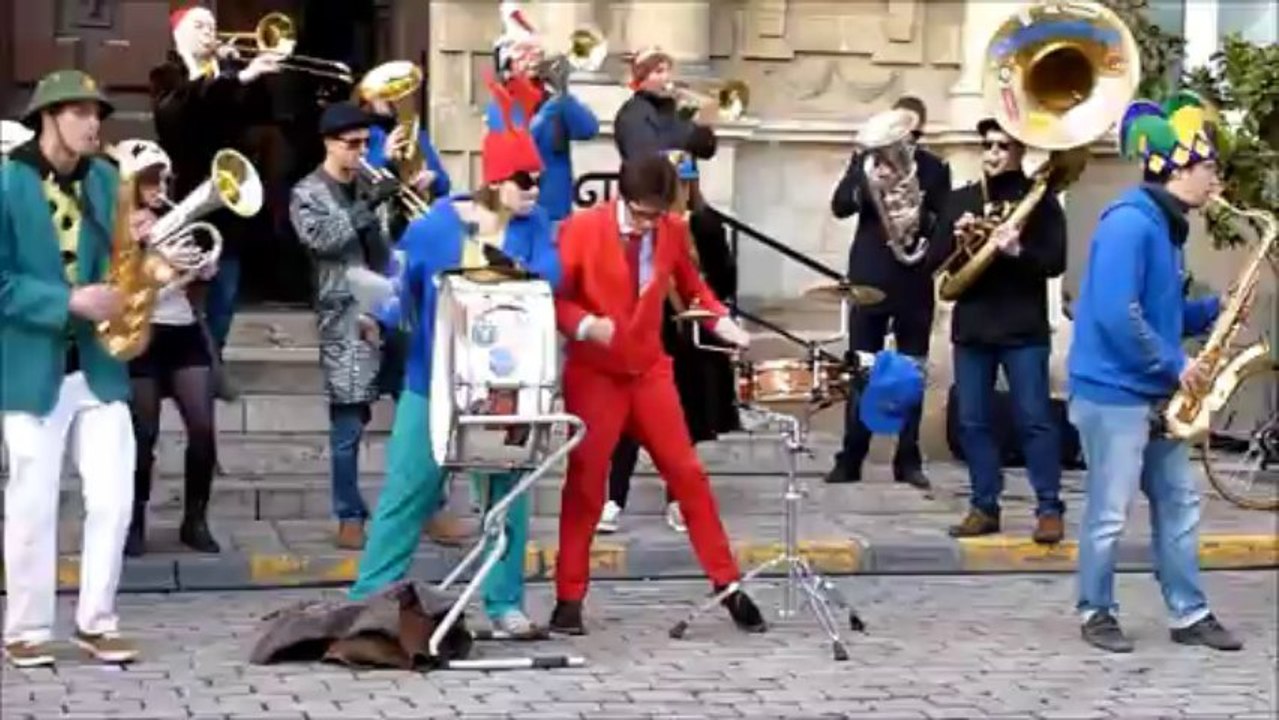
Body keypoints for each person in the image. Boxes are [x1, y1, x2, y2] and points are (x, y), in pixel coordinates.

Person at [348, 75, 561, 637]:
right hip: (434, 377)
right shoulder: (436, 224)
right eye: (523, 179)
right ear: (494, 179)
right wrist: (378, 320)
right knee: (408, 488)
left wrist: (506, 266)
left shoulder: (534, 225)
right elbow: (401, 285)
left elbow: (552, 279)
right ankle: (370, 597)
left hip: (506, 383)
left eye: (538, 176)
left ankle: (503, 604)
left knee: (506, 496)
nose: (535, 188)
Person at [549, 154, 765, 635]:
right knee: (586, 484)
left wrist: (723, 322)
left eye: (656, 214)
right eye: (642, 214)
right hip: (595, 374)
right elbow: (553, 296)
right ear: (622, 198)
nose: (649, 224)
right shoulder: (581, 228)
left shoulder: (669, 229)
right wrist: (586, 325)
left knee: (688, 473)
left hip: (649, 371)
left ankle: (725, 582)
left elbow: (691, 287)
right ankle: (568, 598)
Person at [1068, 90, 1241, 653]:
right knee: (1110, 513)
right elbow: (1120, 315)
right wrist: (1177, 362)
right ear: (1176, 168)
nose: (1215, 181)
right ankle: (1096, 611)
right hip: (1113, 393)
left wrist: (1218, 309)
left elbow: (1158, 314)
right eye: (1209, 168)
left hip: (1155, 392)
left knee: (1180, 506)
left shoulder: (1163, 227)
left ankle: (1190, 614)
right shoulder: (1130, 224)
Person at [1, 70, 144, 667]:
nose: (94, 124)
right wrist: (65, 302)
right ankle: (28, 629)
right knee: (32, 501)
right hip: (32, 368)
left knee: (113, 496)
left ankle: (96, 621)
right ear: (48, 116)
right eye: (81, 112)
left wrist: (155, 260)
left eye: (97, 113)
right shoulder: (7, 183)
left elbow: (125, 265)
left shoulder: (110, 180)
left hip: (99, 365)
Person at [926, 118, 1067, 544]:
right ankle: (984, 505)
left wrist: (1016, 250)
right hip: (973, 329)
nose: (993, 154)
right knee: (972, 421)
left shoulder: (1041, 201)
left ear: (1021, 151)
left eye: (1003, 147)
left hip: (1023, 329)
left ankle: (1048, 508)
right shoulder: (962, 199)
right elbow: (936, 262)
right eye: (988, 146)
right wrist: (956, 238)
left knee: (1034, 420)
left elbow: (1054, 263)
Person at [598, 152, 739, 535]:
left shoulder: (702, 224)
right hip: (646, 330)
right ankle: (614, 497)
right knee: (626, 421)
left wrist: (717, 318)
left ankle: (677, 498)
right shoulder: (637, 229)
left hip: (684, 337)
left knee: (681, 424)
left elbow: (720, 280)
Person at [150, 4, 280, 398]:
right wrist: (234, 78)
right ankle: (176, 368)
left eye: (212, 25)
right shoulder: (167, 75)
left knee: (224, 299)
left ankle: (211, 362)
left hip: (228, 200)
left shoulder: (225, 74)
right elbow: (176, 115)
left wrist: (250, 78)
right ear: (179, 35)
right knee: (181, 297)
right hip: (186, 197)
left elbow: (260, 115)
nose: (210, 31)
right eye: (199, 25)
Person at [825, 96, 952, 490]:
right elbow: (840, 205)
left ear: (919, 134)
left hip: (914, 279)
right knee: (862, 366)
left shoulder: (934, 169)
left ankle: (908, 457)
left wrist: (920, 216)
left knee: (913, 370)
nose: (900, 144)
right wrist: (868, 186)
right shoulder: (865, 164)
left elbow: (943, 224)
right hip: (870, 278)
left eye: (909, 135)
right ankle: (852, 456)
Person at [289, 103, 400, 550]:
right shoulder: (307, 192)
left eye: (366, 144)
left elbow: (388, 244)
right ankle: (349, 514)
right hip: (345, 315)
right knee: (348, 422)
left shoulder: (370, 183)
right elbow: (320, 241)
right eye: (351, 145)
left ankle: (427, 507)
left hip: (390, 307)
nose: (360, 153)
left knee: (418, 408)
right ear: (329, 143)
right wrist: (365, 208)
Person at [110, 140, 222, 557]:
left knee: (204, 430)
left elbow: (193, 276)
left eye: (162, 178)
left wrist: (201, 269)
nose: (158, 187)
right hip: (142, 334)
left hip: (183, 330)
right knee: (144, 434)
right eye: (148, 179)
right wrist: (145, 257)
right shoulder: (116, 224)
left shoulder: (176, 218)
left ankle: (195, 520)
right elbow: (110, 279)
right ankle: (134, 520)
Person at [487, 2, 599, 230]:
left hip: (558, 208)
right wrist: (548, 111)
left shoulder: (553, 97)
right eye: (524, 55)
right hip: (522, 210)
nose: (533, 61)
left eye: (535, 53)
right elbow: (518, 145)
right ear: (508, 63)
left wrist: (564, 94)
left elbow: (589, 129)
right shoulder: (501, 103)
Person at [613, 46, 717, 163]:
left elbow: (706, 150)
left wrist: (704, 121)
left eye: (668, 71)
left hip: (680, 180)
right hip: (648, 180)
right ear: (641, 78)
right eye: (659, 72)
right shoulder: (632, 113)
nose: (666, 78)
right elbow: (641, 156)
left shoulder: (677, 112)